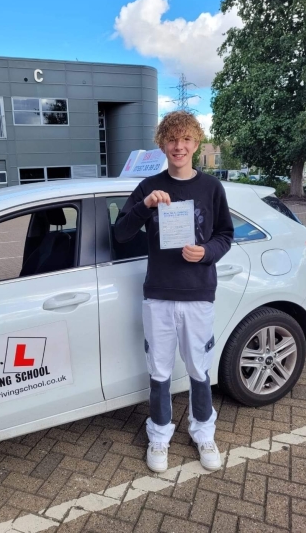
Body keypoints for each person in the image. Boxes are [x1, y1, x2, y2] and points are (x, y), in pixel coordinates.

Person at [114, 111, 234, 473]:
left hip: (198, 294)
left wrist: (206, 252)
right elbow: (120, 234)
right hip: (160, 297)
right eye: (171, 139)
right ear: (163, 144)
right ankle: (160, 436)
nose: (178, 146)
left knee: (200, 369)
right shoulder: (148, 186)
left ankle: (203, 432)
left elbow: (226, 235)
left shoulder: (212, 187)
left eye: (186, 140)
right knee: (160, 370)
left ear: (196, 144)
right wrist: (144, 205)